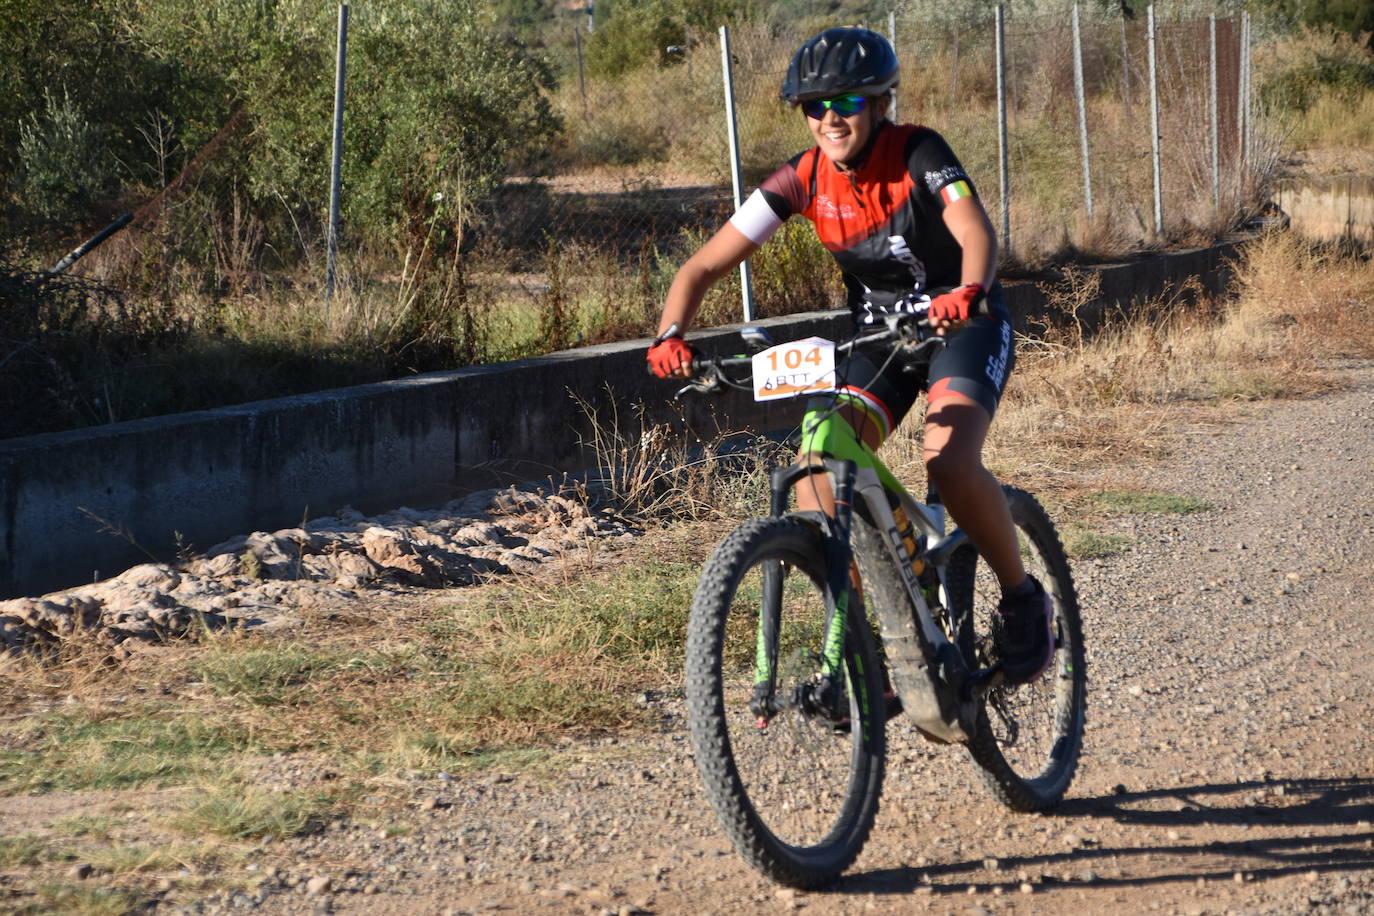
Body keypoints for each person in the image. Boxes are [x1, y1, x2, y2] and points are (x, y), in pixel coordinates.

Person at [645, 27, 1051, 685]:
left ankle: (1022, 599)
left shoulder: (918, 151)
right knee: (818, 458)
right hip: (881, 340)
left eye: (849, 103)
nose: (831, 118)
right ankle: (869, 631)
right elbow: (699, 268)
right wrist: (669, 334)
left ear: (881, 102)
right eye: (815, 106)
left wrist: (970, 290)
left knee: (947, 459)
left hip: (961, 325)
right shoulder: (800, 179)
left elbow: (974, 228)